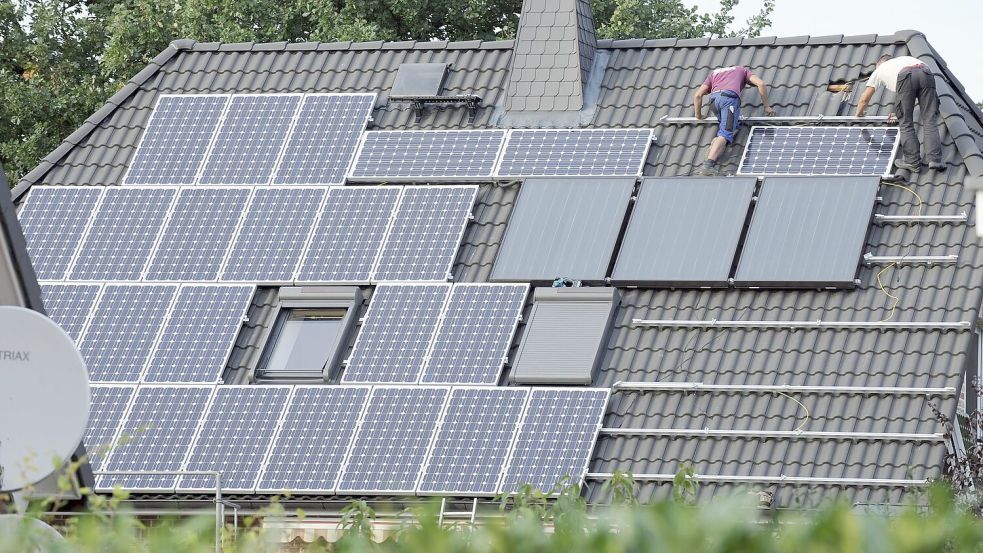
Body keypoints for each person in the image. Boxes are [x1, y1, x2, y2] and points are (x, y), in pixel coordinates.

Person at [855, 54, 944, 172]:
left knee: (906, 122)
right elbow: (916, 92)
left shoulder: (880, 69)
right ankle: (935, 160)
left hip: (906, 76)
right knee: (929, 119)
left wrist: (859, 114)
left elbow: (864, 99)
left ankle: (912, 162)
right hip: (927, 72)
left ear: (880, 64)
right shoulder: (904, 60)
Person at [693, 65, 775, 176]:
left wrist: (698, 115)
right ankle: (708, 165)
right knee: (726, 133)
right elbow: (760, 83)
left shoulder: (715, 73)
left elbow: (698, 95)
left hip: (714, 101)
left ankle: (715, 146)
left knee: (731, 127)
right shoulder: (743, 70)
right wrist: (766, 106)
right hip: (729, 100)